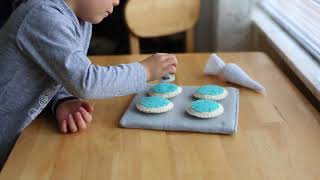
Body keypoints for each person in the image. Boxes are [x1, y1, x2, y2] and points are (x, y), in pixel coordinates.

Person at [0, 0, 178, 169]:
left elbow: (57, 72)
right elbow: (87, 82)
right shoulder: (43, 16)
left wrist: (61, 101)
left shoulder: (81, 20)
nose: (117, 2)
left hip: (18, 140)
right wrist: (145, 71)